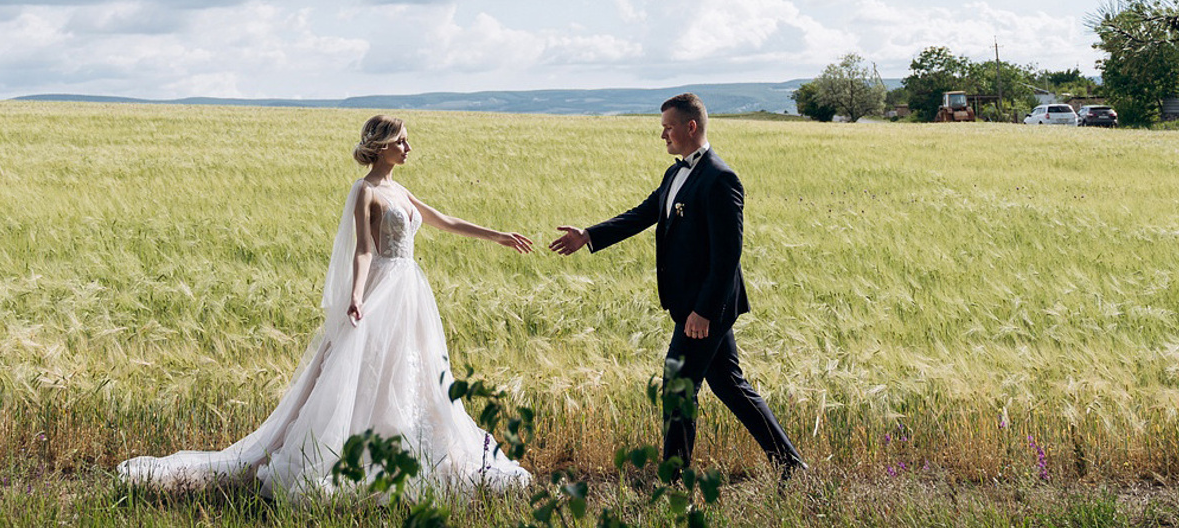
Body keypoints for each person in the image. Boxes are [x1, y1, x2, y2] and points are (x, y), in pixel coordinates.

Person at [118, 115, 534, 501]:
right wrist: (356, 296)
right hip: (382, 288)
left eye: (407, 141)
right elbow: (363, 251)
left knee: (413, 370)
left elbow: (443, 220)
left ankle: (416, 447)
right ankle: (356, 454)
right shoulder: (365, 190)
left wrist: (497, 236)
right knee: (365, 371)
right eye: (401, 141)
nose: (408, 148)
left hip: (410, 291)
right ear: (382, 146)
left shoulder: (400, 191)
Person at [549, 93, 806, 485]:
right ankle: (789, 463)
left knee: (677, 386)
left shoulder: (720, 178)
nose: (663, 135)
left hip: (705, 308)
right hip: (690, 304)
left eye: (668, 127)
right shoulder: (675, 173)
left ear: (691, 126)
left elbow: (727, 256)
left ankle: (674, 480)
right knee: (730, 385)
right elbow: (644, 213)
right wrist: (588, 235)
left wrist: (704, 310)